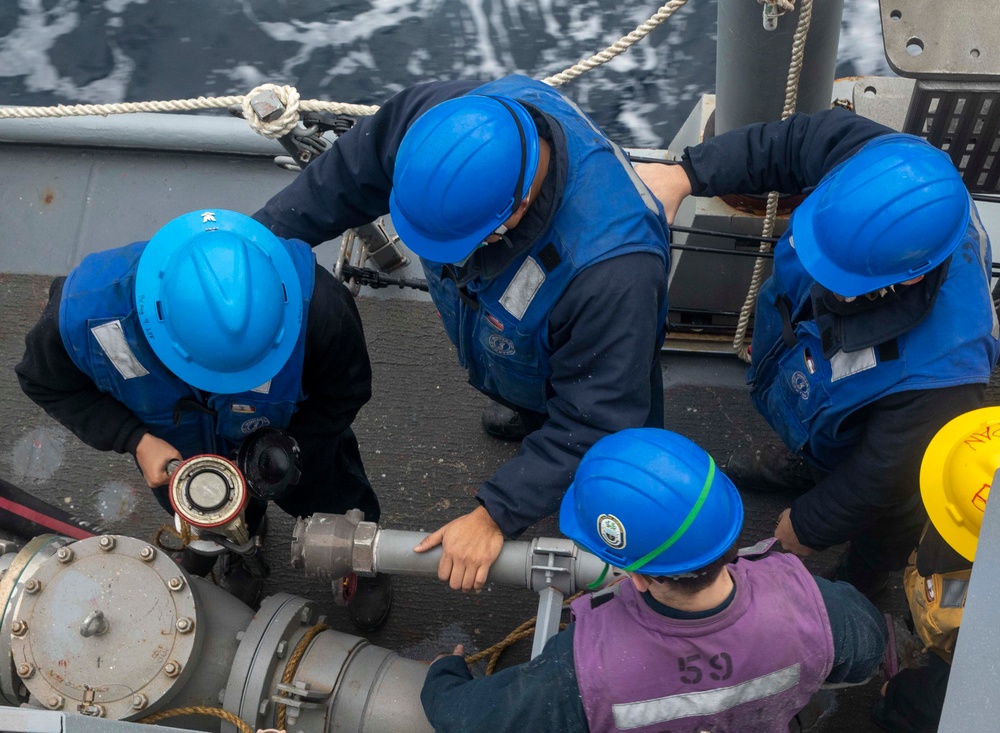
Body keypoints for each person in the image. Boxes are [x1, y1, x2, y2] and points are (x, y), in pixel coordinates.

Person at [252, 75, 672, 591]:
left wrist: (494, 515)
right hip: (516, 352)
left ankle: (611, 563)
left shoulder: (613, 273)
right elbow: (347, 176)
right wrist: (254, 247)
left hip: (596, 379)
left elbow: (599, 418)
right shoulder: (445, 123)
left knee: (603, 466)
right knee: (539, 406)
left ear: (514, 212)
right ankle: (530, 415)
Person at [636, 108, 1000, 596]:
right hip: (825, 401)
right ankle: (805, 464)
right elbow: (790, 142)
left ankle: (861, 587)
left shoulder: (946, 373)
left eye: (842, 281)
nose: (823, 285)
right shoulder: (881, 165)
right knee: (827, 447)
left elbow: (882, 473)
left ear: (909, 276)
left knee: (885, 534)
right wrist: (688, 174)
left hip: (893, 470)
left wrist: (810, 525)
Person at [16, 209, 391, 630]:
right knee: (211, 515)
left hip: (295, 440)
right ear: (159, 328)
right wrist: (135, 439)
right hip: (181, 458)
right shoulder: (86, 314)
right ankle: (237, 548)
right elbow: (44, 382)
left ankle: (361, 558)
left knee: (335, 496)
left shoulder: (318, 307)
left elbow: (346, 391)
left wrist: (290, 447)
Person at [420, 428, 887, 733]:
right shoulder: (818, 608)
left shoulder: (582, 671)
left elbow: (471, 720)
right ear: (727, 539)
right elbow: (865, 652)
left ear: (637, 579)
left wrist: (445, 674)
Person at [873, 407, 1000, 731]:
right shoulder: (955, 516)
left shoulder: (987, 631)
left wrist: (900, 693)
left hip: (953, 665)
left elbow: (958, 700)